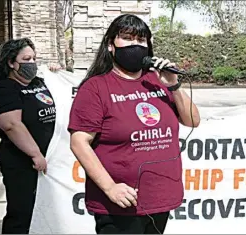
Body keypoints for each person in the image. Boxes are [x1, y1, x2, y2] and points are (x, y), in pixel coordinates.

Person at [68, 14, 200, 234]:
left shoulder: (156, 80)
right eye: (128, 38)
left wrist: (174, 85)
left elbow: (192, 120)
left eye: (141, 40)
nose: (135, 45)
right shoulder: (96, 88)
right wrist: (110, 188)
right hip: (121, 205)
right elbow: (79, 142)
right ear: (111, 45)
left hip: (159, 199)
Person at [0, 38, 62, 234]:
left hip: (50, 159)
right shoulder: (5, 89)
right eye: (26, 59)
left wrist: (57, 74)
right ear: (11, 63)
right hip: (22, 162)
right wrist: (35, 154)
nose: (32, 63)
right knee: (22, 212)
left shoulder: (39, 82)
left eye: (34, 58)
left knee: (46, 209)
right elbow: (11, 125)